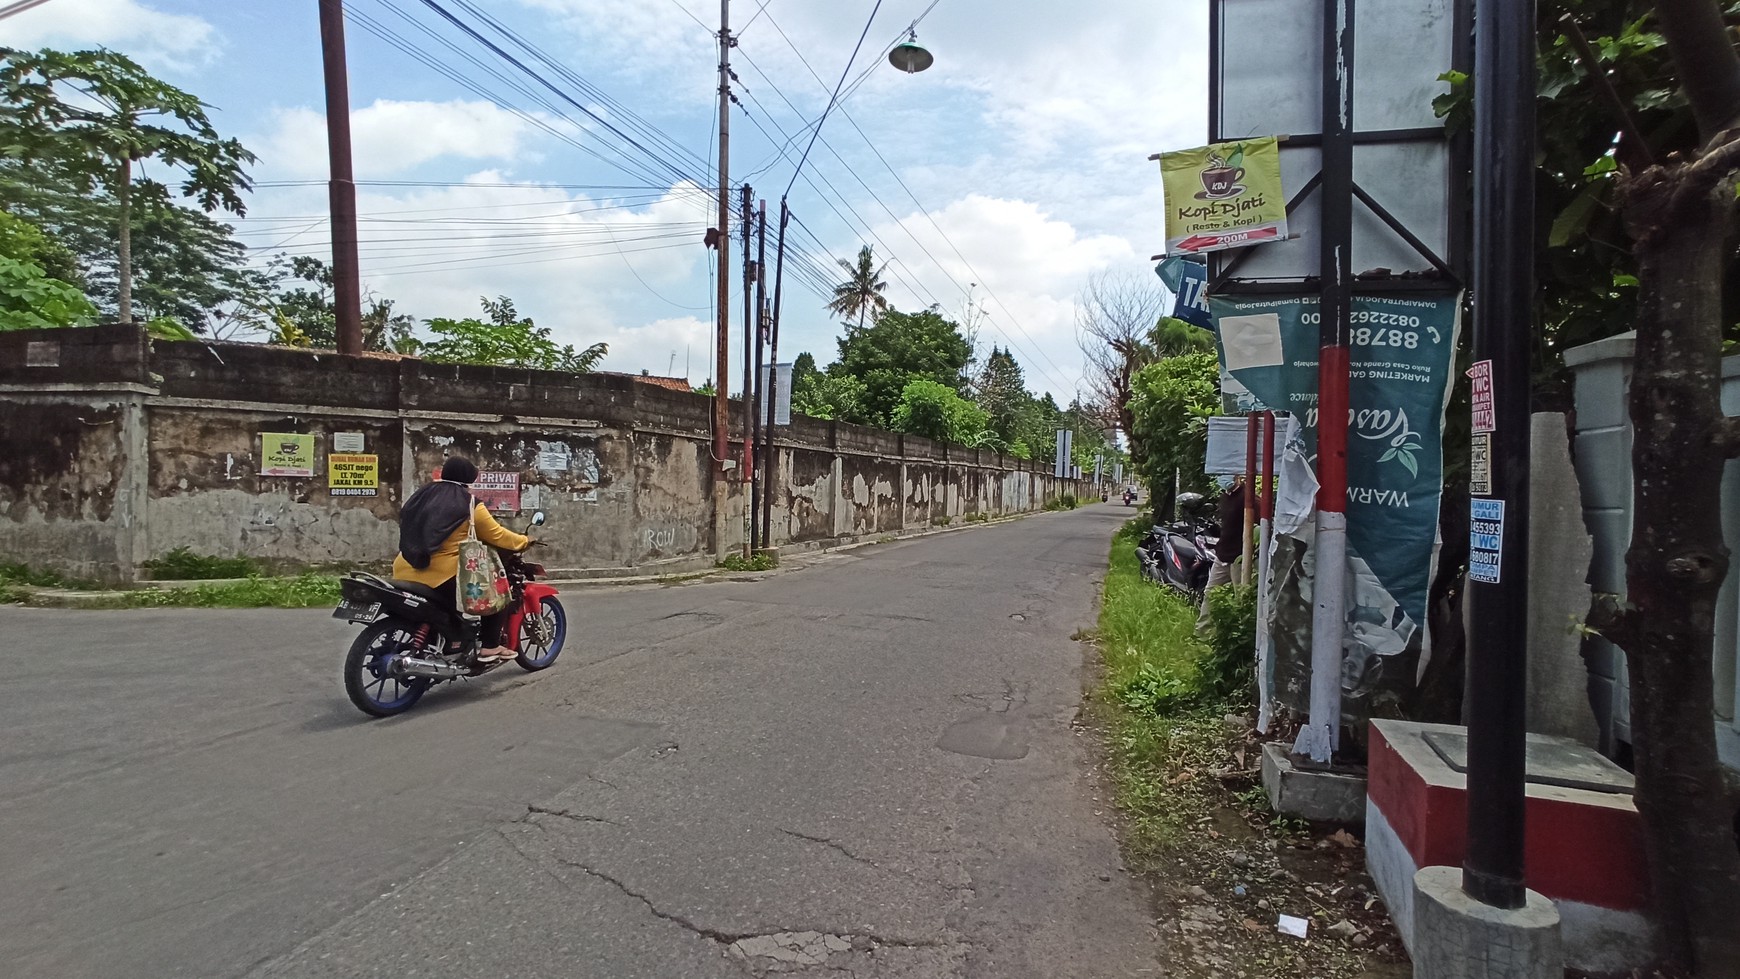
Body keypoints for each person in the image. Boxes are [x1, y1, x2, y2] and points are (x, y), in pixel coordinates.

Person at [393, 456, 531, 663]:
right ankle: (490, 646)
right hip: (442, 576)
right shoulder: (470, 504)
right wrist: (524, 541)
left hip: (403, 568)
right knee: (498, 592)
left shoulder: (421, 495)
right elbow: (497, 535)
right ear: (469, 478)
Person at [1197, 475, 1246, 635]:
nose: (1223, 478)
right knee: (1210, 593)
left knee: (1242, 599)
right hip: (1222, 554)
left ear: (1238, 475)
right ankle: (1202, 633)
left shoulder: (1249, 497)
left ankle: (1242, 637)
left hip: (1240, 558)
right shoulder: (1224, 497)